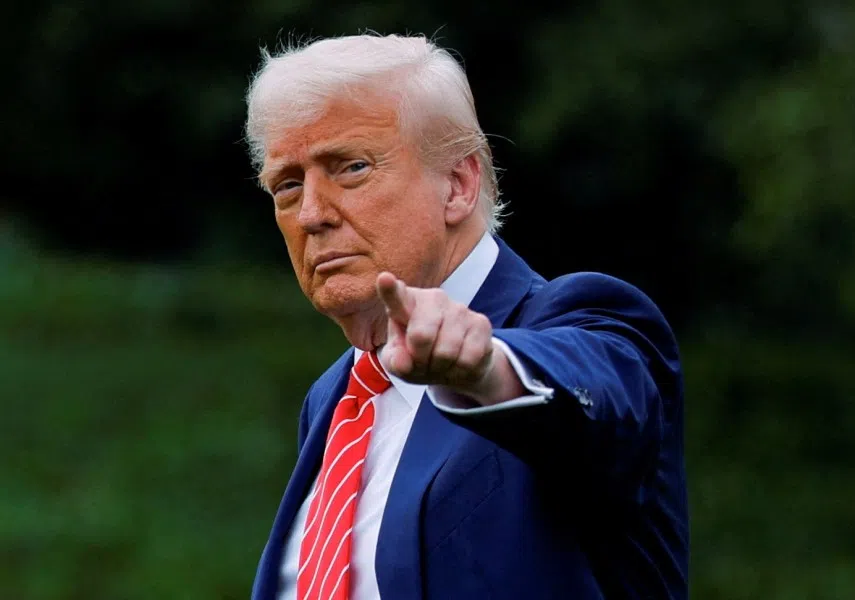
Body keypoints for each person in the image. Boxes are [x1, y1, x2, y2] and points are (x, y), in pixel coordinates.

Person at [243, 33, 688, 600]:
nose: (310, 214)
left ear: (457, 184)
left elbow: (601, 389)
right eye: (287, 185)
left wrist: (487, 370)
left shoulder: (577, 319)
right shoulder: (334, 396)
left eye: (351, 167)